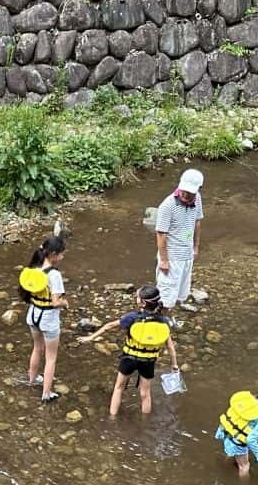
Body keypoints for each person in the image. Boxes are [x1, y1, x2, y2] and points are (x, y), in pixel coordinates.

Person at [82, 284, 178, 417]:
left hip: (129, 359)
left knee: (119, 388)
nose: (136, 299)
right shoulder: (164, 321)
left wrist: (91, 337)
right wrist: (174, 365)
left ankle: (112, 417)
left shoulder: (133, 317)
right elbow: (170, 347)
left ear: (143, 303)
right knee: (145, 393)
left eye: (137, 297)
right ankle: (145, 423)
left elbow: (109, 326)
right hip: (148, 362)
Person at [18, 235, 68, 404]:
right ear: (53, 254)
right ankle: (46, 393)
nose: (62, 257)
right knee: (51, 357)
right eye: (61, 254)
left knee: (36, 348)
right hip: (48, 318)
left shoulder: (34, 268)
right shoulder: (54, 275)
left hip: (33, 314)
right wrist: (65, 303)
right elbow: (55, 302)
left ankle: (32, 380)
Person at [154, 168, 204, 312]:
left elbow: (197, 222)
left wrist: (196, 247)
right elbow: (160, 234)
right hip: (172, 258)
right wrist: (164, 260)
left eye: (190, 192)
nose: (185, 194)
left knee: (181, 292)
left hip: (187, 255)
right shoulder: (167, 205)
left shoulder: (197, 198)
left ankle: (171, 316)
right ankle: (162, 323)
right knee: (165, 296)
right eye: (184, 190)